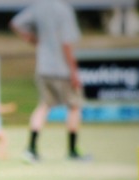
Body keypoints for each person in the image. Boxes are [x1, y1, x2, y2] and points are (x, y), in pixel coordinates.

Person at [9, 0, 87, 162]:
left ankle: (31, 148)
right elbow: (66, 44)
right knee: (74, 106)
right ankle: (72, 151)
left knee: (44, 106)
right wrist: (74, 73)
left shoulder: (39, 7)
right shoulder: (64, 11)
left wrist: (32, 39)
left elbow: (15, 23)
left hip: (43, 67)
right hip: (63, 69)